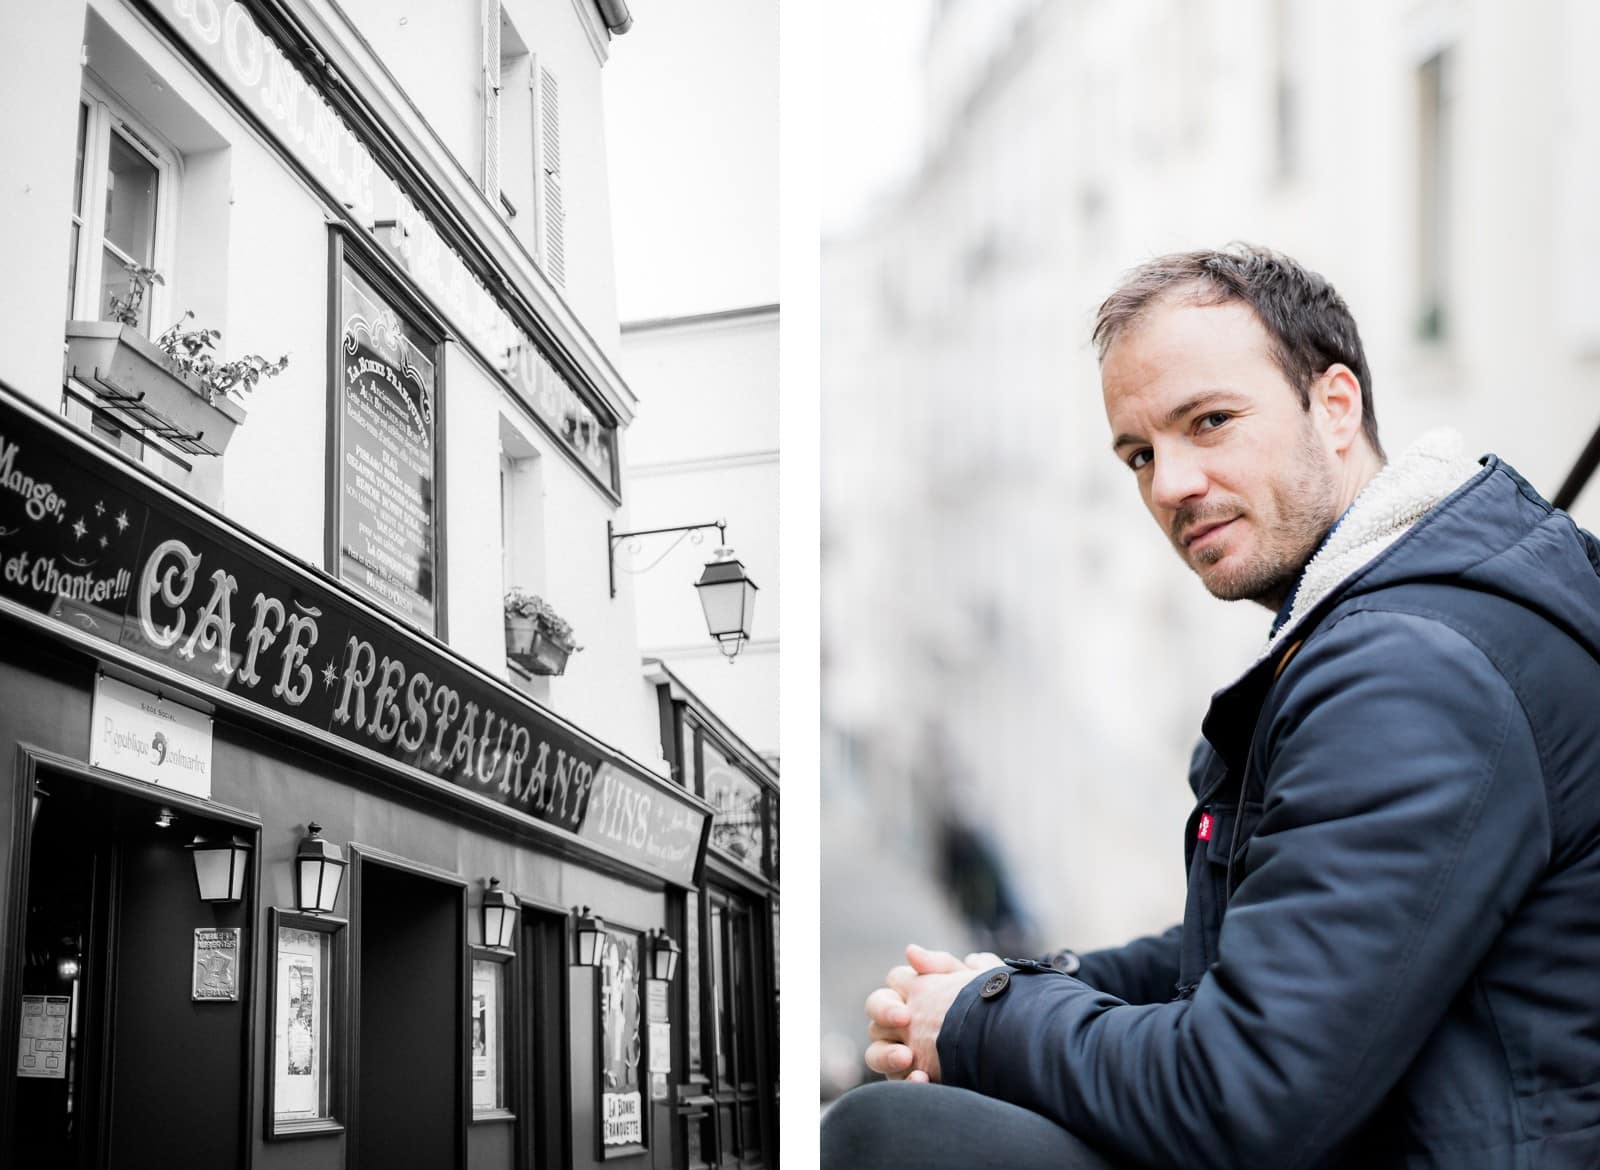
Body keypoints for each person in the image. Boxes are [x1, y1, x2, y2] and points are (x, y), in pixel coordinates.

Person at [821, 245, 1600, 1170]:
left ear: (1336, 406)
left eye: (1212, 422)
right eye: (1140, 453)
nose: (1171, 485)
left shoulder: (1412, 671)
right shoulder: (1391, 623)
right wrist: (1004, 985)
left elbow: (1243, 1095)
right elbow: (1261, 929)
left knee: (884, 1135)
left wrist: (988, 1026)